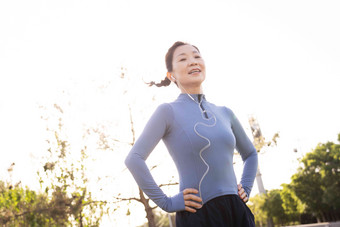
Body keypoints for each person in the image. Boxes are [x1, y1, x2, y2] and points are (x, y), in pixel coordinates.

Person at [125, 41, 258, 226]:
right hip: (199, 216)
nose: (193, 61)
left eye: (196, 56)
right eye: (183, 59)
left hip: (237, 212)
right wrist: (167, 202)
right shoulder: (167, 112)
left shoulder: (225, 113)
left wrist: (246, 187)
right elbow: (134, 159)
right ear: (171, 75)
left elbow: (250, 154)